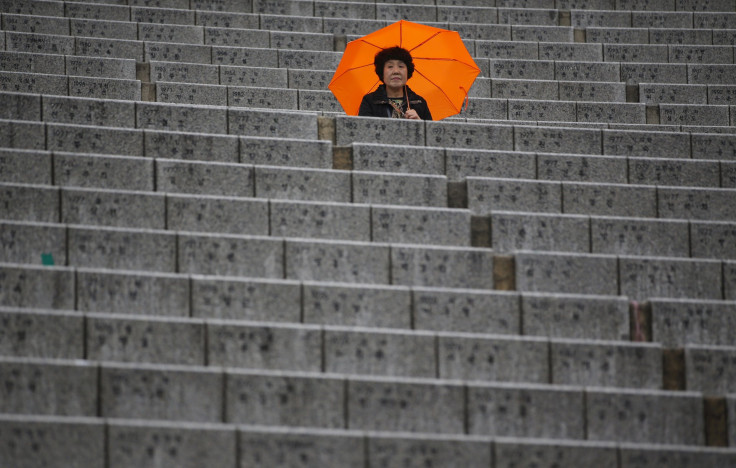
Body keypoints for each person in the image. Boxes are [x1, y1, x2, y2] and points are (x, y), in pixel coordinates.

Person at [358, 46, 433, 120]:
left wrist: (419, 123)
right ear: (382, 72)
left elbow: (430, 131)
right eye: (390, 66)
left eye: (401, 66)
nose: (396, 71)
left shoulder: (419, 102)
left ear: (408, 72)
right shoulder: (370, 101)